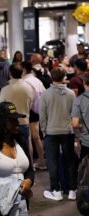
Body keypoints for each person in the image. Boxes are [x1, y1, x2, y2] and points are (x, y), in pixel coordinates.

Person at [39, 67, 77, 201]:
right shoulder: (71, 94)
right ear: (64, 76)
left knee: (53, 161)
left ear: (51, 77)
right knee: (70, 161)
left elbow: (42, 115)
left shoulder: (46, 94)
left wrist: (43, 131)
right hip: (67, 131)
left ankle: (56, 190)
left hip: (51, 131)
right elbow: (74, 114)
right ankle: (72, 190)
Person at [0, 63, 34, 152]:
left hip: (9, 125)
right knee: (25, 151)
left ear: (10, 74)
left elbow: (1, 108)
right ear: (22, 73)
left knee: (11, 152)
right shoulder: (29, 88)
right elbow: (30, 104)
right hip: (24, 123)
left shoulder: (5, 89)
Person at [21, 61, 47, 170]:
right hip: (38, 111)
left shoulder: (25, 82)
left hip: (29, 111)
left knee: (30, 138)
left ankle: (31, 165)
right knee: (36, 137)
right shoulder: (37, 81)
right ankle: (41, 162)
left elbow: (27, 98)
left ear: (24, 70)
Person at [72, 73, 89, 161]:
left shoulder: (79, 99)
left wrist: (82, 126)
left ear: (84, 83)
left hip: (86, 141)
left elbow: (75, 124)